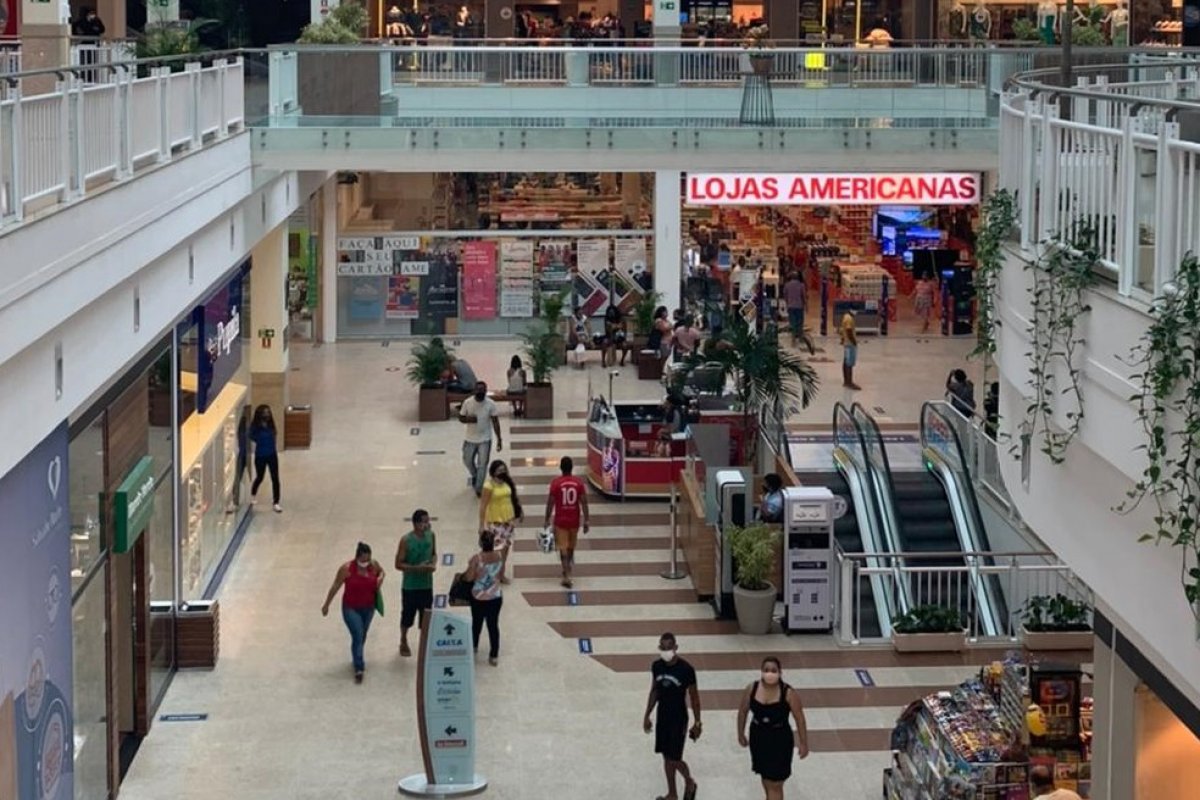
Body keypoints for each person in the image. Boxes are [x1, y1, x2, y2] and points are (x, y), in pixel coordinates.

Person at [736, 657, 811, 800]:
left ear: (780, 672)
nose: (769, 673)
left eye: (773, 670)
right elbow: (743, 711)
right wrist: (740, 733)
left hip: (779, 740)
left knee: (775, 783)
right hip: (758, 737)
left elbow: (799, 718)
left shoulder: (788, 693)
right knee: (766, 777)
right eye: (766, 670)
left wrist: (803, 743)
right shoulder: (752, 688)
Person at [643, 632, 702, 800]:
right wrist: (647, 715)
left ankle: (689, 782)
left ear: (676, 648)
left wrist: (697, 723)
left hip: (679, 719)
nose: (666, 651)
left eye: (669, 648)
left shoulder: (686, 669)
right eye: (663, 648)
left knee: (674, 758)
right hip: (663, 717)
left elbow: (694, 697)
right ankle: (672, 793)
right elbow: (654, 690)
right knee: (665, 756)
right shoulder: (657, 666)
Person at [321, 542, 385, 683]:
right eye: (363, 560)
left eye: (367, 559)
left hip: (369, 607)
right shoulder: (346, 569)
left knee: (363, 634)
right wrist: (327, 604)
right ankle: (359, 667)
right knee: (358, 634)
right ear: (357, 557)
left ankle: (357, 654)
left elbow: (382, 572)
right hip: (351, 608)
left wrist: (380, 579)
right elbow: (335, 586)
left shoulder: (373, 565)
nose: (365, 562)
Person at [394, 508, 437, 658]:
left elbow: (434, 554)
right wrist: (416, 568)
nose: (427, 525)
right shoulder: (406, 541)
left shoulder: (431, 536)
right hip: (410, 586)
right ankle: (403, 639)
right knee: (407, 616)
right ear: (415, 524)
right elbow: (398, 564)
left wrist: (433, 564)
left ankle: (425, 644)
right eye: (424, 522)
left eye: (428, 521)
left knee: (426, 617)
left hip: (426, 585)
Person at [545, 456, 590, 588]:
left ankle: (566, 574)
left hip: (560, 521)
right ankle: (568, 569)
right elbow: (584, 502)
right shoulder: (578, 483)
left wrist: (547, 518)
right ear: (572, 468)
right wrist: (586, 520)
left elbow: (550, 502)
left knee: (562, 548)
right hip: (574, 520)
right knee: (571, 547)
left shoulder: (556, 483)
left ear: (561, 468)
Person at [464, 530, 504, 666]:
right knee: (493, 625)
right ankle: (494, 655)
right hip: (495, 596)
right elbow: (500, 575)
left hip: (478, 597)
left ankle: (474, 646)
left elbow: (469, 577)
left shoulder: (476, 559)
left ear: (480, 543)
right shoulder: (499, 556)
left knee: (477, 623)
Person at [479, 459, 522, 583]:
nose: (502, 473)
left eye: (504, 470)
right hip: (495, 522)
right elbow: (483, 505)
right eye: (499, 470)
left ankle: (501, 574)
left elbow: (513, 498)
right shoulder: (489, 486)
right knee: (497, 552)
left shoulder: (507, 483)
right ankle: (493, 575)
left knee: (505, 550)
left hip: (508, 522)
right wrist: (481, 525)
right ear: (493, 472)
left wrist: (517, 513)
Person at [459, 381, 502, 495]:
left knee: (482, 464)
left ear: (485, 391)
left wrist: (499, 439)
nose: (480, 392)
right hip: (470, 438)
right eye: (478, 389)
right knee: (467, 460)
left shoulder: (490, 404)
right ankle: (475, 475)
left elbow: (495, 422)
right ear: (474, 390)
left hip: (485, 439)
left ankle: (479, 488)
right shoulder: (467, 403)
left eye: (483, 390)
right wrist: (470, 419)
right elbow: (461, 417)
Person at [249, 404, 282, 512]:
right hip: (260, 455)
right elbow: (251, 435)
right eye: (265, 412)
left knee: (275, 478)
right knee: (260, 477)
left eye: (268, 412)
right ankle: (253, 493)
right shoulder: (255, 427)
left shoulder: (271, 425)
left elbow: (274, 435)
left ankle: (276, 501)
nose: (267, 414)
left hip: (272, 454)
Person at [783, 272, 807, 346]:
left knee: (792, 323)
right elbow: (803, 296)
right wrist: (806, 305)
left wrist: (787, 303)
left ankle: (793, 340)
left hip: (791, 306)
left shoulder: (787, 285)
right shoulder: (801, 285)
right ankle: (800, 338)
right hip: (799, 306)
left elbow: (785, 295)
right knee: (799, 322)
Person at [839, 313, 861, 391]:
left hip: (846, 343)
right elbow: (849, 330)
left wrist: (842, 338)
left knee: (846, 362)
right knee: (849, 363)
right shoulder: (849, 319)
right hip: (850, 344)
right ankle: (849, 382)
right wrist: (854, 342)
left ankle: (846, 381)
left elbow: (841, 330)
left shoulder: (845, 316)